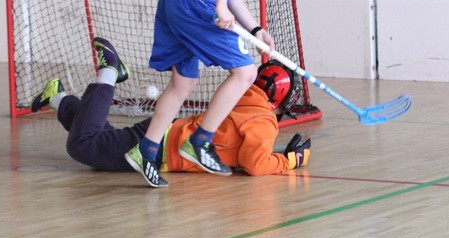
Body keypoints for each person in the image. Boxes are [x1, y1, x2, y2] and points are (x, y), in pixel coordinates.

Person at [123, 0, 286, 187]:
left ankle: (147, 150)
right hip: (198, 2)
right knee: (245, 73)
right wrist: (219, 5)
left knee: (182, 84)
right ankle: (200, 142)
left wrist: (256, 29)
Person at [31, 36, 311, 178]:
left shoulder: (240, 96)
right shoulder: (264, 121)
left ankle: (58, 98)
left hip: (163, 135)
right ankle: (110, 72)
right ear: (281, 97)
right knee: (83, 145)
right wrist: (292, 161)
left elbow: (241, 149)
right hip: (160, 150)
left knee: (101, 138)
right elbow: (255, 164)